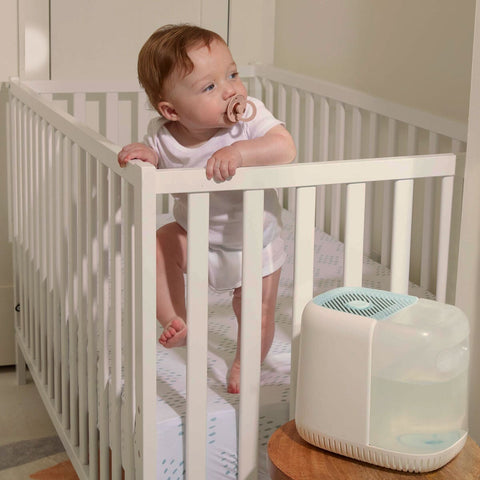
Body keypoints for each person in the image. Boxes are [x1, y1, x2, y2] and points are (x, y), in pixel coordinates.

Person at [118, 24, 296, 393]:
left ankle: (247, 363)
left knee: (256, 314)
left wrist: (241, 153)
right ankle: (175, 319)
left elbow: (285, 147)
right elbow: (158, 160)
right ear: (172, 110)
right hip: (195, 237)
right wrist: (146, 157)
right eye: (210, 86)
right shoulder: (163, 136)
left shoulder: (249, 121)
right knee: (158, 243)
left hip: (255, 244)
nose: (231, 89)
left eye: (232, 74)